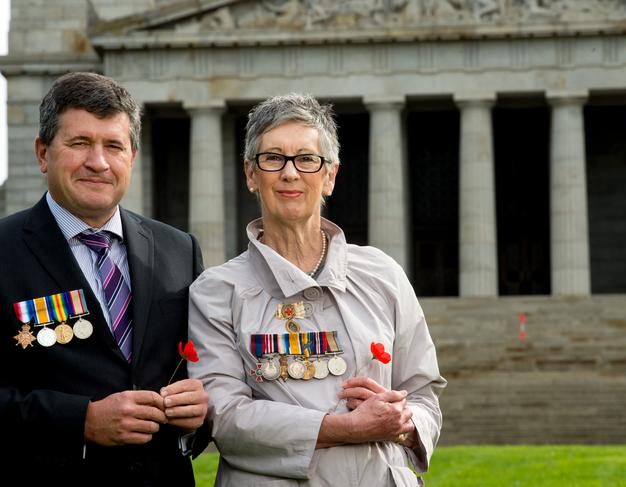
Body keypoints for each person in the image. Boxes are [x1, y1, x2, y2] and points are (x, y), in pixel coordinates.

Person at [188, 93, 446, 486]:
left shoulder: (382, 273)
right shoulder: (217, 290)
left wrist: (404, 422)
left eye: (307, 159)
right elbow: (225, 416)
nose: (290, 173)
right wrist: (346, 427)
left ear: (330, 176)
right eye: (273, 158)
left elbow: (424, 394)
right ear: (251, 174)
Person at [0, 72, 209, 486]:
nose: (98, 162)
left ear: (131, 157)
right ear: (43, 154)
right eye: (80, 143)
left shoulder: (178, 249)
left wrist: (197, 418)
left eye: (113, 146)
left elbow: (201, 373)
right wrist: (82, 421)